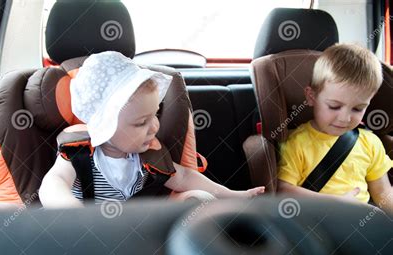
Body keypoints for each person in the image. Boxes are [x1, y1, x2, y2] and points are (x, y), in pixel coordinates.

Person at [39, 51, 264, 208]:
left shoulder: (147, 156)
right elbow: (54, 183)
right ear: (104, 125)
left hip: (138, 231)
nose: (155, 126)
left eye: (156, 114)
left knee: (200, 197)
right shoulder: (79, 154)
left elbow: (185, 177)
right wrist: (72, 211)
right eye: (140, 122)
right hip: (90, 234)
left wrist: (235, 195)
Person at [277, 43, 393, 211]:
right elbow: (283, 191)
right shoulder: (297, 142)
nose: (345, 118)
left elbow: (383, 193)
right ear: (311, 97)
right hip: (317, 226)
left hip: (361, 226)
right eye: (334, 106)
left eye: (358, 108)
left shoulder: (370, 142)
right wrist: (334, 203)